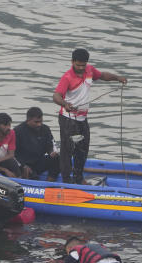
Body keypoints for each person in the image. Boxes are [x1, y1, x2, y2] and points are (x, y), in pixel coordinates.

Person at [52, 48, 127, 184]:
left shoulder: (90, 71)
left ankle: (79, 178)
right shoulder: (67, 77)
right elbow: (56, 96)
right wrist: (65, 104)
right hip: (68, 119)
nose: (81, 68)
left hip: (82, 118)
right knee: (67, 150)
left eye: (83, 65)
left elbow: (103, 75)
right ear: (72, 62)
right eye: (78, 65)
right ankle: (67, 180)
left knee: (83, 148)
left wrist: (117, 78)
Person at [13, 107, 61, 181]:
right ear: (28, 120)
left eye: (41, 121)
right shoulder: (17, 131)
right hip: (24, 164)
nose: (39, 124)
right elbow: (12, 154)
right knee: (33, 176)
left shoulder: (45, 129)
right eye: (36, 122)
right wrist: (23, 166)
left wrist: (52, 151)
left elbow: (51, 144)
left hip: (38, 161)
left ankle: (49, 184)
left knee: (57, 158)